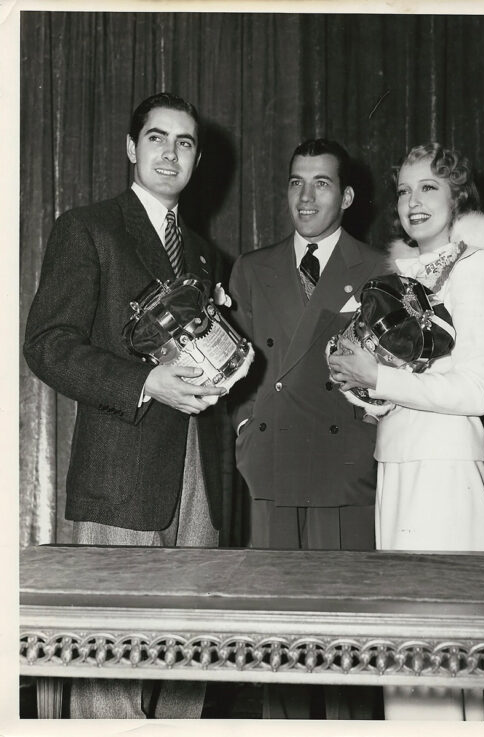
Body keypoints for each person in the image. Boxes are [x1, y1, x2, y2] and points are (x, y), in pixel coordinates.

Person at [24, 92, 229, 718]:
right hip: (119, 466)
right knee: (106, 653)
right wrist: (146, 383)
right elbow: (48, 346)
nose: (171, 153)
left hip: (199, 470)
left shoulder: (205, 254)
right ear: (131, 148)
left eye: (185, 142)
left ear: (196, 159)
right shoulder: (87, 228)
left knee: (193, 652)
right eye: (158, 138)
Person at [328, 142, 484, 720]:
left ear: (457, 197)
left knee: (444, 646)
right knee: (404, 653)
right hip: (396, 463)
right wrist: (362, 385)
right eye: (403, 190)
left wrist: (383, 380)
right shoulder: (397, 274)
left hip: (446, 472)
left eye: (429, 188)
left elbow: (479, 391)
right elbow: (391, 384)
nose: (412, 201)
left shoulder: (480, 267)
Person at [228, 138, 382, 718]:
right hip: (268, 468)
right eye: (296, 181)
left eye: (321, 183)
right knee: (278, 649)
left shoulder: (378, 267)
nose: (306, 195)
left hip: (344, 473)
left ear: (345, 196)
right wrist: (244, 425)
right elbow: (233, 369)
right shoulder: (252, 267)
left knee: (348, 646)